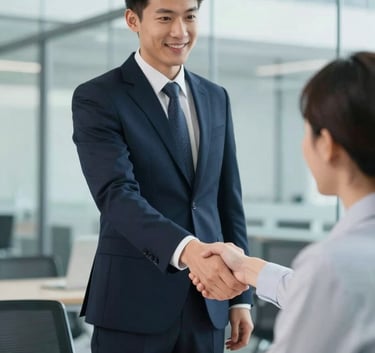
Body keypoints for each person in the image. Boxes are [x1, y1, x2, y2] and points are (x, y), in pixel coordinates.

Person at [71, 0, 253, 352]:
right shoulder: (99, 97)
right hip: (132, 305)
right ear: (132, 20)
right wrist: (189, 250)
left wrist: (240, 297)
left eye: (190, 17)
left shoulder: (216, 97)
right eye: (165, 18)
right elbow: (116, 195)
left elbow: (227, 200)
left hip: (208, 306)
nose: (180, 31)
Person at [191, 51, 375, 352]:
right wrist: (246, 267)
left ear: (327, 145)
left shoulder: (331, 266)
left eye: (306, 131)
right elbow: (320, 297)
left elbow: (325, 291)